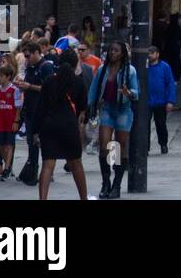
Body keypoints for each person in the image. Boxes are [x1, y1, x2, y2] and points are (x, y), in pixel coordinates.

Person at [88, 40, 138, 199]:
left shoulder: (130, 71)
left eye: (116, 51)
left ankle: (116, 184)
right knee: (104, 146)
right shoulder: (103, 70)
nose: (112, 53)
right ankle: (105, 183)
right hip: (107, 109)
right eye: (111, 50)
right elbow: (93, 90)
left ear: (122, 53)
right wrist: (91, 106)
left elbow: (136, 93)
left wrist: (127, 92)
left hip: (123, 110)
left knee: (119, 146)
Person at [35, 49, 88, 201]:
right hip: (69, 127)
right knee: (76, 163)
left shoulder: (49, 81)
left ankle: (43, 198)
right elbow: (83, 107)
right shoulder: (78, 82)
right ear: (74, 63)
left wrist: (35, 131)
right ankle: (83, 198)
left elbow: (41, 108)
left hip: (49, 126)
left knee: (47, 165)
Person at [15, 41, 55, 180]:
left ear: (37, 52)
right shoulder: (30, 67)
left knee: (43, 142)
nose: (26, 58)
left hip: (43, 111)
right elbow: (28, 86)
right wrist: (21, 86)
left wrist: (30, 86)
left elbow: (49, 88)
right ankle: (32, 169)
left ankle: (47, 172)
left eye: (28, 55)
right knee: (31, 141)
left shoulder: (46, 67)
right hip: (30, 109)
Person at [0, 63, 22, 179]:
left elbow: (18, 107)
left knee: (9, 145)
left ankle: (6, 168)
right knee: (0, 146)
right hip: (0, 121)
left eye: (1, 76)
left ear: (8, 76)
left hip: (10, 121)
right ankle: (8, 166)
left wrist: (16, 121)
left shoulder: (14, 90)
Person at [146, 45, 178, 154]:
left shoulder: (165, 67)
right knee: (145, 125)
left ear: (157, 54)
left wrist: (170, 101)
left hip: (161, 101)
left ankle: (163, 144)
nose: (149, 55)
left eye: (152, 53)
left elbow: (170, 85)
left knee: (161, 124)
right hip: (147, 102)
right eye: (148, 53)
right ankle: (146, 147)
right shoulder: (144, 67)